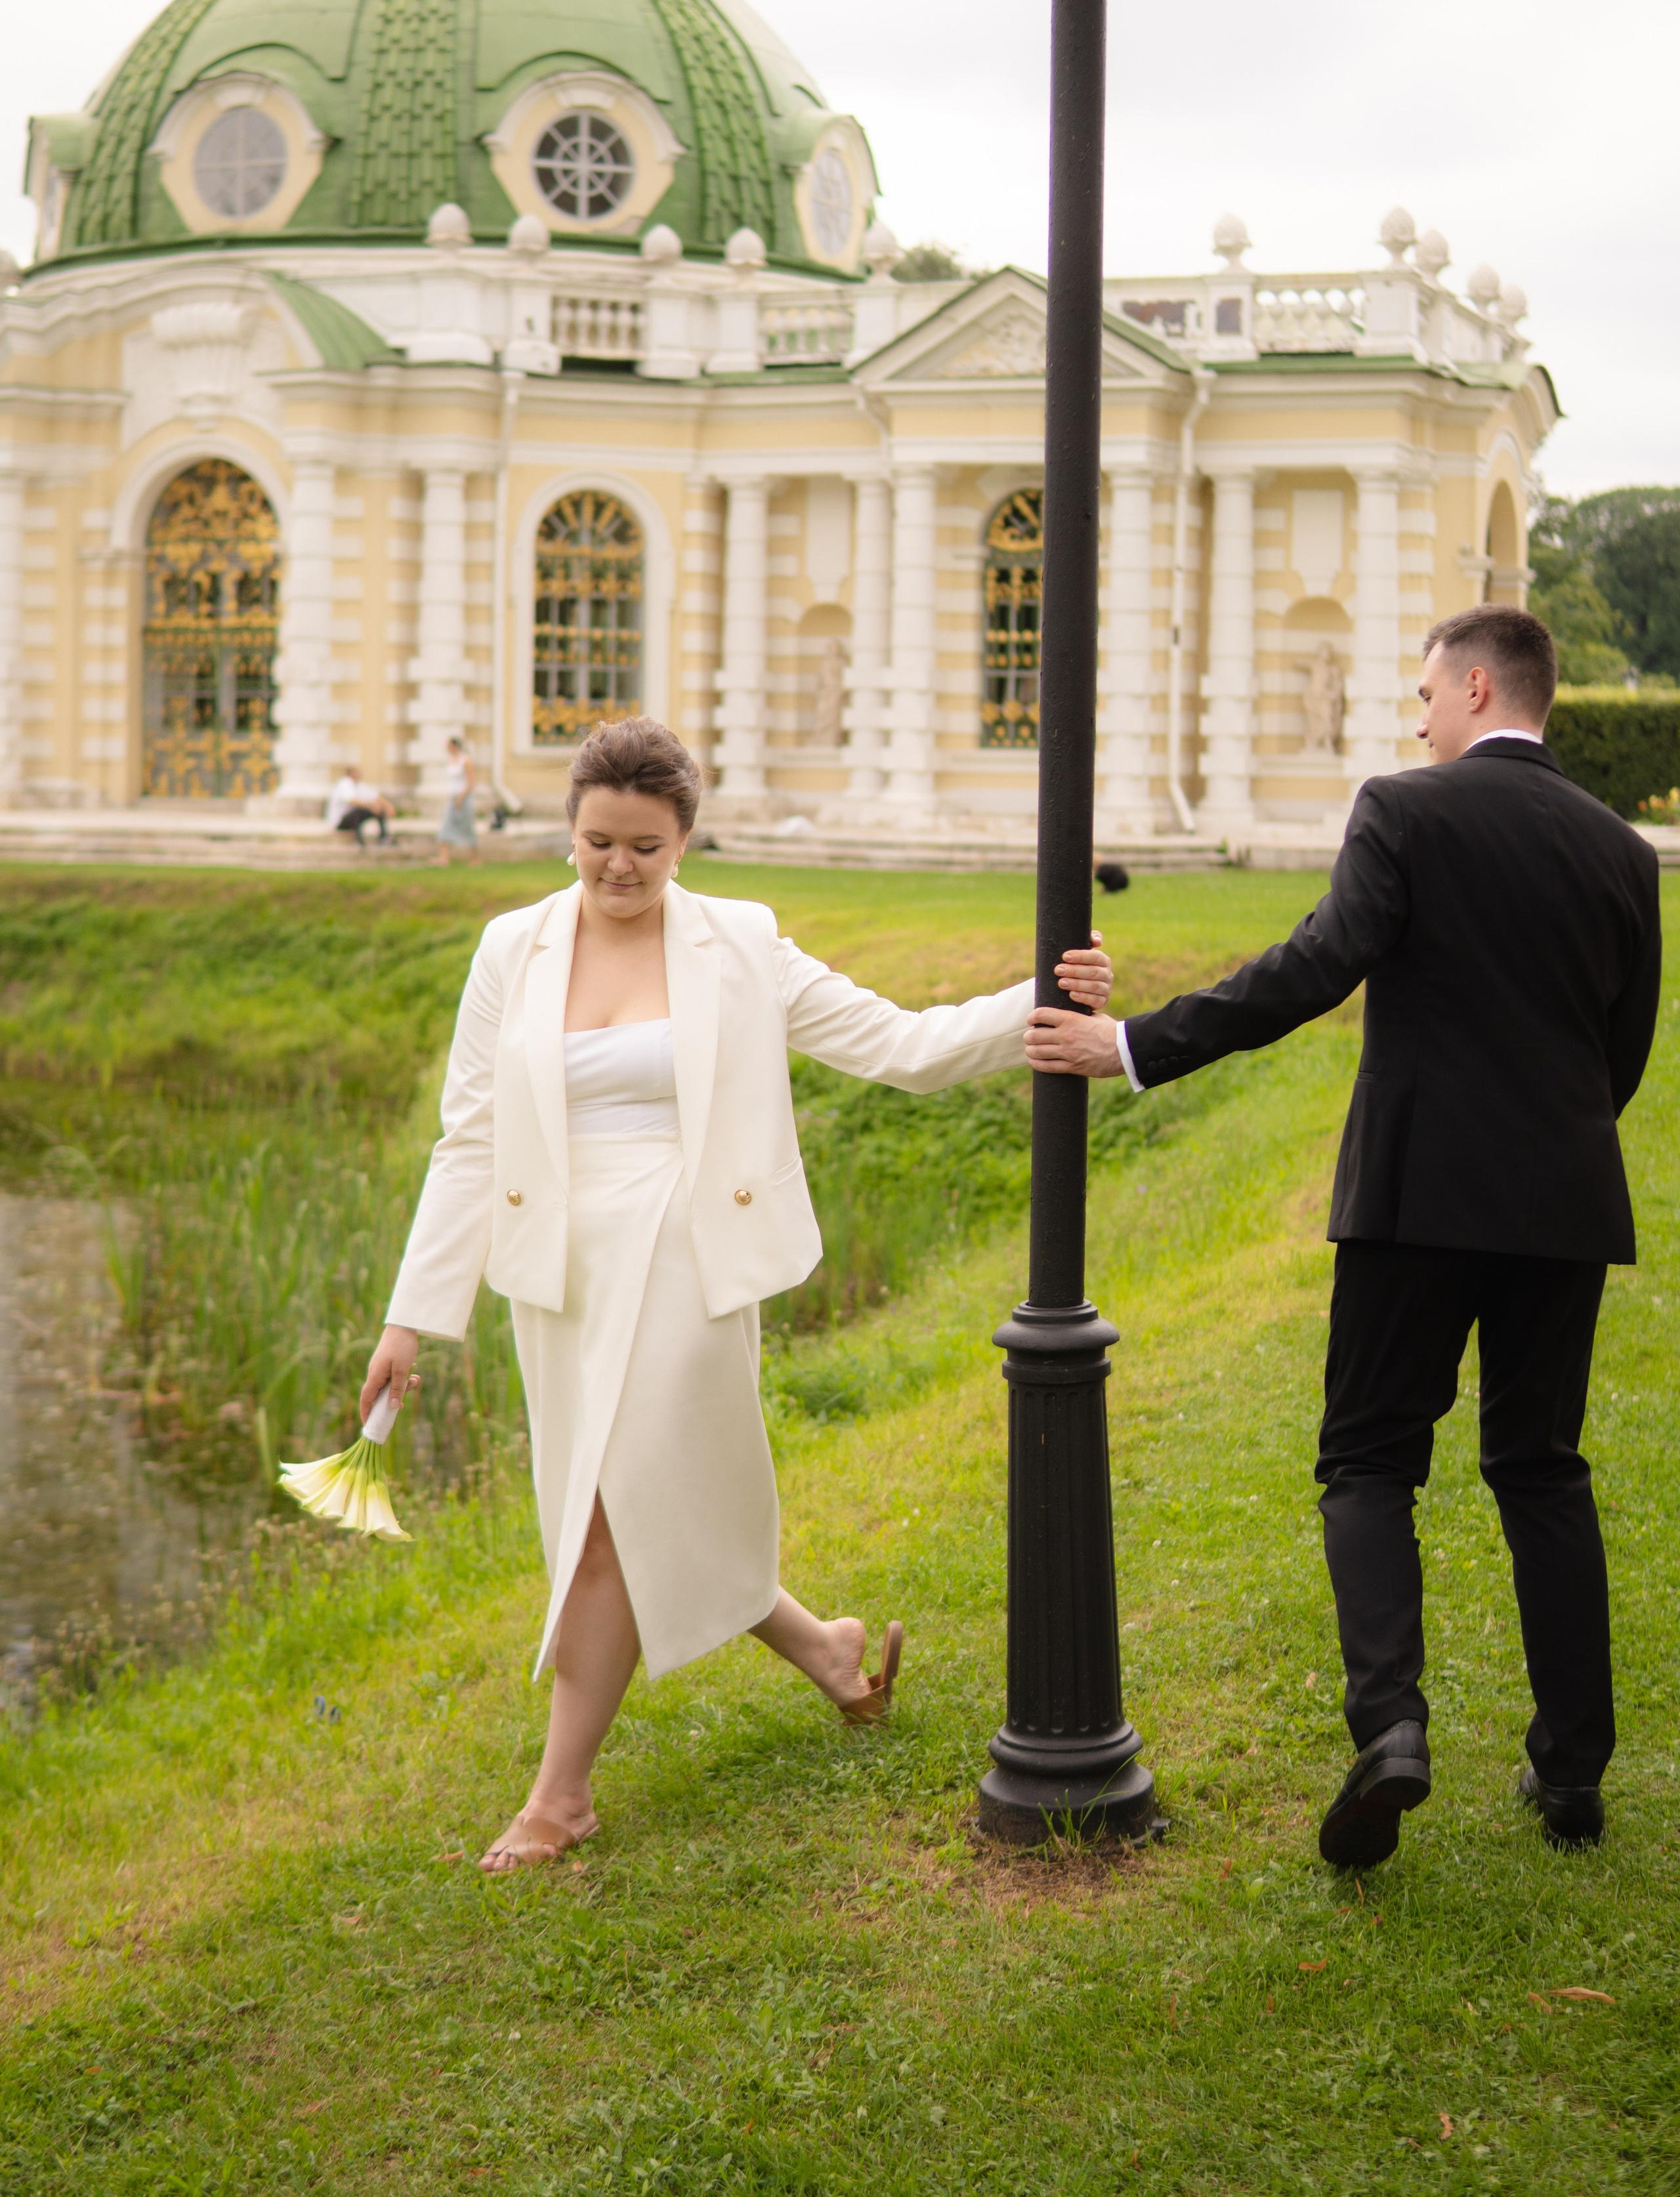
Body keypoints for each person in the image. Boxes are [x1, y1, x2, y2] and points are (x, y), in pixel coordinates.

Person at [361, 717, 1113, 1872]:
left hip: (685, 1258)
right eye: (598, 842)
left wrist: (1044, 997)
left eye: (646, 849)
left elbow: (901, 1046)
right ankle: (829, 1651)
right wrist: (413, 1314)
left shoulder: (739, 944)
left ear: (686, 842)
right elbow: (471, 1139)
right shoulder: (510, 949)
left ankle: (560, 1800)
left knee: (607, 1528)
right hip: (556, 1276)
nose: (618, 868)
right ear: (567, 828)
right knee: (632, 1505)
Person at [1026, 606, 1660, 1867]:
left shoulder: (1405, 810)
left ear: (1477, 687)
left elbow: (1316, 965)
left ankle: (1394, 1732)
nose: (1414, 716)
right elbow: (1622, 1046)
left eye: (1424, 692)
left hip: (1416, 1197)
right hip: (1567, 1203)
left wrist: (1137, 1045)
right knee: (1542, 1468)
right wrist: (1560, 1148)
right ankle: (1572, 1773)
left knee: (1369, 1463)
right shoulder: (1622, 848)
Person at [326, 764, 394, 846]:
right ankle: (359, 842)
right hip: (340, 821)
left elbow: (375, 796)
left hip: (352, 819)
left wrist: (388, 806)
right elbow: (352, 801)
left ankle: (384, 839)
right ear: (351, 774)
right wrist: (371, 806)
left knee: (379, 810)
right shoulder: (345, 783)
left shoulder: (359, 785)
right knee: (357, 812)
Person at [436, 735, 477, 865]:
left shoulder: (465, 761)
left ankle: (475, 858)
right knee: (446, 826)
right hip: (453, 797)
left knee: (467, 827)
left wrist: (461, 797)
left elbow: (470, 782)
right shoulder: (450, 760)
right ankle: (443, 858)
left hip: (463, 798)